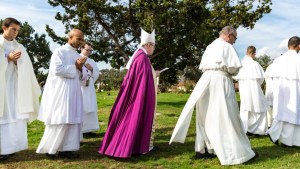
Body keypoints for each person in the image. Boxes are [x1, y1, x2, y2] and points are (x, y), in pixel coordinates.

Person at [169, 26, 257, 165]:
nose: (234, 41)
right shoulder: (226, 46)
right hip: (220, 81)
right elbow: (233, 69)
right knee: (227, 115)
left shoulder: (210, 47)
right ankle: (236, 153)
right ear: (229, 35)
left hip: (205, 80)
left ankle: (204, 149)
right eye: (235, 38)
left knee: (205, 115)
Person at [98, 28, 159, 158]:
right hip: (139, 96)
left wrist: (154, 73)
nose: (154, 48)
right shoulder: (142, 58)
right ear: (148, 45)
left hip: (135, 94)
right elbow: (143, 80)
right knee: (134, 117)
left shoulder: (139, 56)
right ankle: (134, 146)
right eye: (153, 45)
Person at [36, 29, 86, 159]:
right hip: (61, 91)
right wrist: (75, 66)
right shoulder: (59, 52)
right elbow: (56, 70)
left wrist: (80, 69)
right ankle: (51, 149)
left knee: (72, 121)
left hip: (74, 92)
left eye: (82, 39)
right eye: (78, 38)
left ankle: (67, 149)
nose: (80, 42)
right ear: (70, 37)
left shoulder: (78, 55)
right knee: (61, 119)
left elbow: (83, 76)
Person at [0, 17, 41, 161]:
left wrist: (18, 62)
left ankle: (10, 148)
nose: (16, 33)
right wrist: (7, 58)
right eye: (13, 29)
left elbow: (27, 67)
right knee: (3, 116)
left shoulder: (20, 47)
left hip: (15, 87)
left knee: (15, 115)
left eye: (17, 30)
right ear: (4, 27)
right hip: (2, 87)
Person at [266, 36, 300, 147]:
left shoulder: (278, 60)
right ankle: (289, 141)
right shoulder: (298, 59)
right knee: (293, 113)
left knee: (283, 114)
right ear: (299, 45)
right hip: (295, 91)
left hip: (281, 93)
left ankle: (276, 135)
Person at [233, 46, 269, 135]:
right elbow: (261, 79)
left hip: (244, 90)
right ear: (254, 53)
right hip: (254, 89)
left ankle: (245, 128)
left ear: (246, 52)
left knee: (246, 108)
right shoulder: (255, 64)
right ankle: (258, 130)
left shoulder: (241, 63)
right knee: (259, 107)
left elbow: (237, 78)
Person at [80, 42, 100, 136]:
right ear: (81, 49)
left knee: (90, 106)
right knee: (82, 106)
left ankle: (89, 129)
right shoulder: (77, 58)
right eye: (87, 49)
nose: (88, 52)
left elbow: (97, 74)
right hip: (80, 88)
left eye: (90, 50)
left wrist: (91, 69)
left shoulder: (92, 61)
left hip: (89, 87)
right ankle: (81, 130)